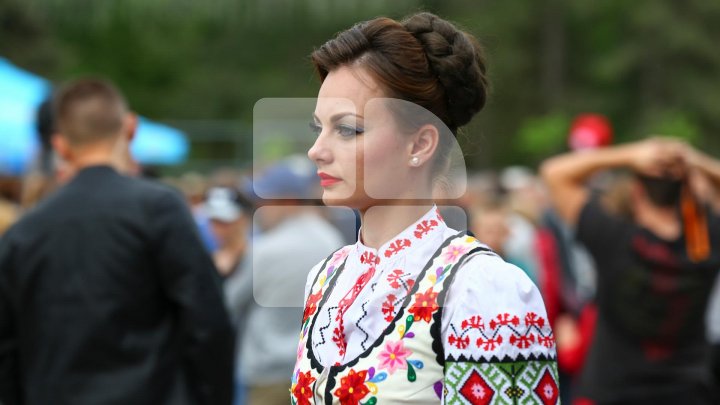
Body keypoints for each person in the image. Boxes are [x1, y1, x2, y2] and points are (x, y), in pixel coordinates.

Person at [292, 12, 559, 404]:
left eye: (347, 129)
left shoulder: (481, 289)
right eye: (320, 128)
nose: (317, 150)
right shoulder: (326, 276)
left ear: (419, 145)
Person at [0, 78, 234, 405]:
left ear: (61, 145)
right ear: (131, 128)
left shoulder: (22, 235)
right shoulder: (159, 210)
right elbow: (208, 323)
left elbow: (7, 351)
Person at [541, 137, 720, 404]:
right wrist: (692, 159)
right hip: (687, 391)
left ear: (636, 191)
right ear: (686, 191)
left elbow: (554, 173)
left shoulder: (613, 236)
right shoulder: (706, 242)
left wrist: (631, 153)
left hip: (612, 391)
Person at [226, 157, 344, 405]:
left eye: (263, 201)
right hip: (317, 372)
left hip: (268, 377)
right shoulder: (332, 240)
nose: (257, 209)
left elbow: (228, 304)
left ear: (288, 201)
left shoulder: (265, 249)